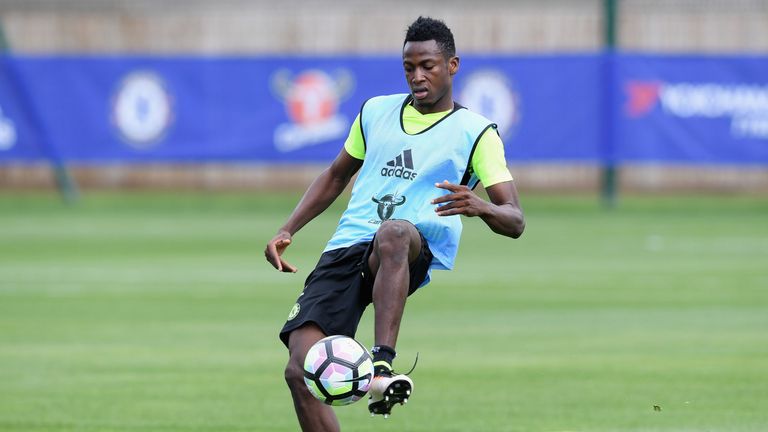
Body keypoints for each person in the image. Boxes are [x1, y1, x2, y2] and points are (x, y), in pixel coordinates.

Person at [265, 16, 525, 432]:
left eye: (428, 66)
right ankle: (370, 380)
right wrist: (288, 228)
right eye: (409, 68)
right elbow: (335, 175)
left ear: (452, 65)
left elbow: (515, 220)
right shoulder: (375, 112)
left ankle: (382, 365)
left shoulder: (476, 133)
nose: (417, 77)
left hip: (409, 249)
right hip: (349, 247)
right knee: (299, 371)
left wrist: (482, 206)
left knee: (395, 232)